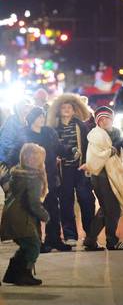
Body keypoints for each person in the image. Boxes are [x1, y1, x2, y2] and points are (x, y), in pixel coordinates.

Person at [81, 107, 123, 251]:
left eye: (107, 118)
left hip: (113, 175)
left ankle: (90, 240)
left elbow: (119, 154)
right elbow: (95, 158)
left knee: (106, 209)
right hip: (102, 177)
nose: (105, 121)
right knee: (112, 209)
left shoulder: (116, 132)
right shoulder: (95, 135)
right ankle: (112, 241)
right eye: (101, 119)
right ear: (98, 121)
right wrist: (113, 149)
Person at [24, 107, 74, 252]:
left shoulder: (49, 132)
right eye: (39, 116)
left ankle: (54, 239)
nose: (42, 119)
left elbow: (58, 147)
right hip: (33, 178)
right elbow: (18, 154)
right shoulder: (25, 134)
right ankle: (36, 242)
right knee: (35, 210)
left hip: (50, 177)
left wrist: (70, 150)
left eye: (43, 116)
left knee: (53, 209)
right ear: (32, 118)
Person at [0, 143, 50, 286]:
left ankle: (12, 274)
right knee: (33, 245)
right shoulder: (33, 177)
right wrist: (45, 216)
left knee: (26, 245)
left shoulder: (17, 173)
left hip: (11, 215)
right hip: (21, 217)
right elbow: (33, 203)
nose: (33, 159)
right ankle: (23, 274)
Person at [47, 94, 92, 245]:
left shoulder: (81, 125)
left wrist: (87, 163)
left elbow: (88, 146)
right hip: (63, 170)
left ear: (74, 110)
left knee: (86, 200)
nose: (66, 110)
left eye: (69, 108)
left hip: (80, 168)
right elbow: (51, 148)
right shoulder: (54, 128)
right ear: (58, 110)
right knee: (66, 202)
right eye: (63, 108)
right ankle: (70, 235)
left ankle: (90, 235)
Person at [0, 100, 34, 188]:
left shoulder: (28, 122)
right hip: (7, 162)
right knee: (9, 191)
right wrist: (21, 154)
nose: (26, 109)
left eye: (28, 106)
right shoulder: (12, 122)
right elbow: (6, 144)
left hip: (19, 162)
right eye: (23, 106)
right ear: (17, 108)